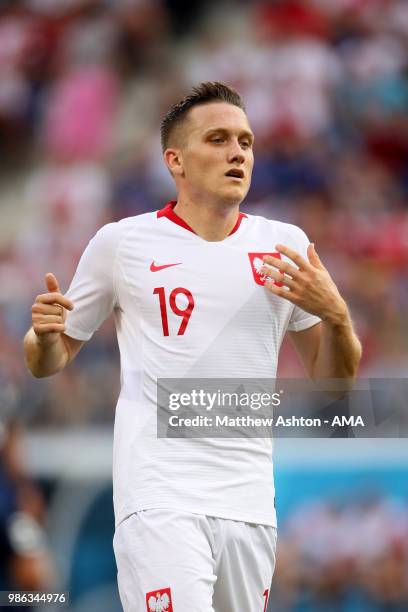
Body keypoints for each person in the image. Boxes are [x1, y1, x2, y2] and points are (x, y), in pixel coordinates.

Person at [23, 82, 362, 612]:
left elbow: (336, 382)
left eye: (246, 142)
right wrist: (42, 335)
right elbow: (50, 359)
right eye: (219, 139)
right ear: (175, 160)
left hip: (250, 503)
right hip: (161, 496)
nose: (238, 153)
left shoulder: (286, 245)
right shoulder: (123, 242)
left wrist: (337, 316)